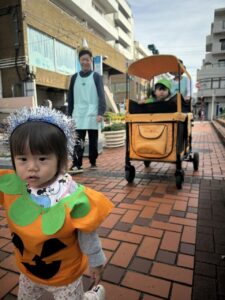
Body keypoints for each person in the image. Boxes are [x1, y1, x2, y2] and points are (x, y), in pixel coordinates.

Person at [0, 106, 114, 300]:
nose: (32, 167)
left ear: (61, 160)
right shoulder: (12, 185)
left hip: (65, 276)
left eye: (42, 158)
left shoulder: (72, 198)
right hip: (28, 271)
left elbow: (88, 235)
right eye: (22, 159)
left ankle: (93, 296)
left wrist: (96, 262)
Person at [67, 47, 106, 174]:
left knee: (93, 141)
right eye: (82, 60)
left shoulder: (96, 77)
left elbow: (101, 95)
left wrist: (100, 112)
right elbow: (70, 97)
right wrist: (69, 115)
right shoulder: (74, 78)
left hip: (93, 113)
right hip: (78, 114)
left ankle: (93, 160)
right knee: (78, 141)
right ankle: (76, 164)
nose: (85, 62)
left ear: (91, 61)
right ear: (79, 61)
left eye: (87, 60)